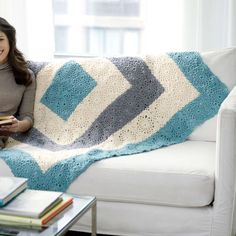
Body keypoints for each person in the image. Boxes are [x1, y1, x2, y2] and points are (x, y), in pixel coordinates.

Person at [0, 17, 36, 148]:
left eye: (0, 39)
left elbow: (28, 117)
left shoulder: (26, 76)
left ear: (10, 41)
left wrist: (18, 126)